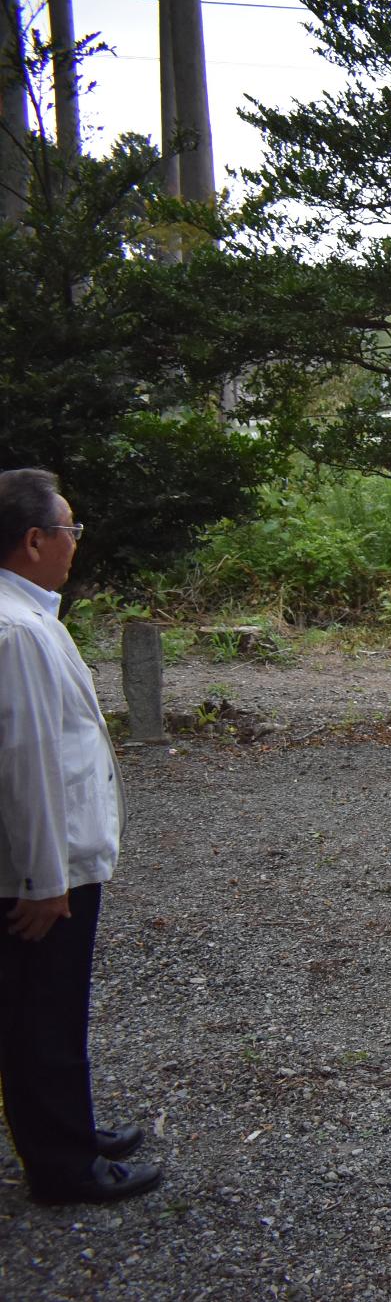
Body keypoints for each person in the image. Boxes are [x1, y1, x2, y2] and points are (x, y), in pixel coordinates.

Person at [0, 468, 158, 1204]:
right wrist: (43, 876)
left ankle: (72, 1124)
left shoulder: (32, 612)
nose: (75, 542)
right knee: (43, 1012)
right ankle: (63, 1164)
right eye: (70, 529)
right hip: (43, 868)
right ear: (34, 540)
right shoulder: (18, 629)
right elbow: (24, 760)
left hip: (57, 857)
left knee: (56, 1005)